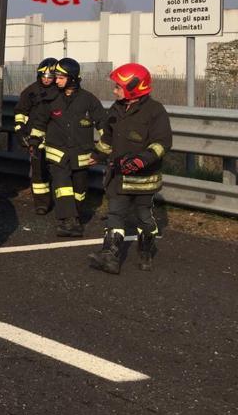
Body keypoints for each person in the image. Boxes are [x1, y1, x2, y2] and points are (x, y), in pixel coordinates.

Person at [88, 63, 172, 274]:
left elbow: (162, 143)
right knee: (115, 214)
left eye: (118, 87)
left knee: (144, 216)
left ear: (134, 87)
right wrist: (97, 155)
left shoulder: (155, 111)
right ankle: (110, 256)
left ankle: (146, 251)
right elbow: (107, 139)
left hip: (144, 178)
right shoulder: (116, 109)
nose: (114, 90)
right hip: (119, 176)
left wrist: (141, 160)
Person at [27, 57, 105, 237]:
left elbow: (103, 124)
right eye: (56, 77)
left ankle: (74, 217)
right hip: (57, 154)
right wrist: (34, 142)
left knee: (79, 191)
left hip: (81, 155)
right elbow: (39, 123)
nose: (56, 80)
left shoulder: (89, 100)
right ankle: (70, 221)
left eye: (61, 77)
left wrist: (101, 151)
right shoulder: (51, 99)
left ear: (72, 78)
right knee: (62, 187)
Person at [14, 58, 58, 214]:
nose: (46, 79)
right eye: (43, 76)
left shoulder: (60, 91)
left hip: (55, 138)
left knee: (57, 172)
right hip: (35, 139)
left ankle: (60, 202)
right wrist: (20, 130)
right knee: (38, 172)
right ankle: (42, 204)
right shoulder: (30, 91)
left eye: (50, 77)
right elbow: (20, 112)